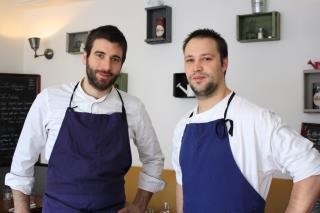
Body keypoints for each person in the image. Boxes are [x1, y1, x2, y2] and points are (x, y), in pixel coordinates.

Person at [5, 25, 165, 213]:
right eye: (99, 55)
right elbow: (22, 164)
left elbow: (154, 159)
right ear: (85, 56)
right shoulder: (49, 99)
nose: (106, 66)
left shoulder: (133, 107)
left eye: (115, 59)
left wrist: (140, 204)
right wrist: (22, 210)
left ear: (121, 63)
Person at [172, 28, 320, 212]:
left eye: (207, 58)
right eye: (190, 60)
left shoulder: (256, 119)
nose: (197, 67)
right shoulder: (182, 127)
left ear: (224, 63)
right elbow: (182, 187)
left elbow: (312, 167)